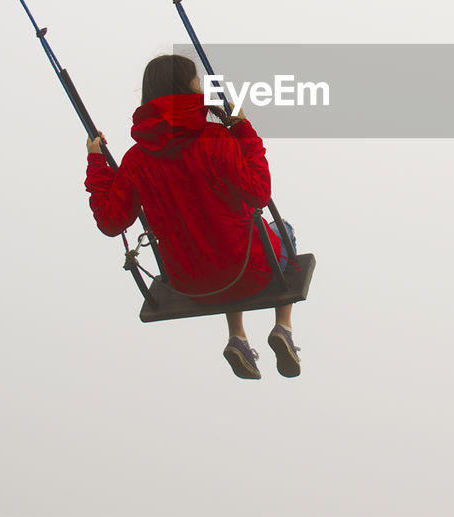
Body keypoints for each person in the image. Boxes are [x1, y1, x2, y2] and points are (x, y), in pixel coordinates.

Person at [84, 54, 300, 379]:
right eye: (197, 81)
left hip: (189, 283)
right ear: (187, 88)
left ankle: (237, 338)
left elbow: (111, 222)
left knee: (216, 253)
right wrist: (244, 132)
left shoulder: (136, 160)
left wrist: (97, 162)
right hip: (251, 269)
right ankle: (283, 328)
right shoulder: (218, 140)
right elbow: (259, 193)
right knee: (282, 230)